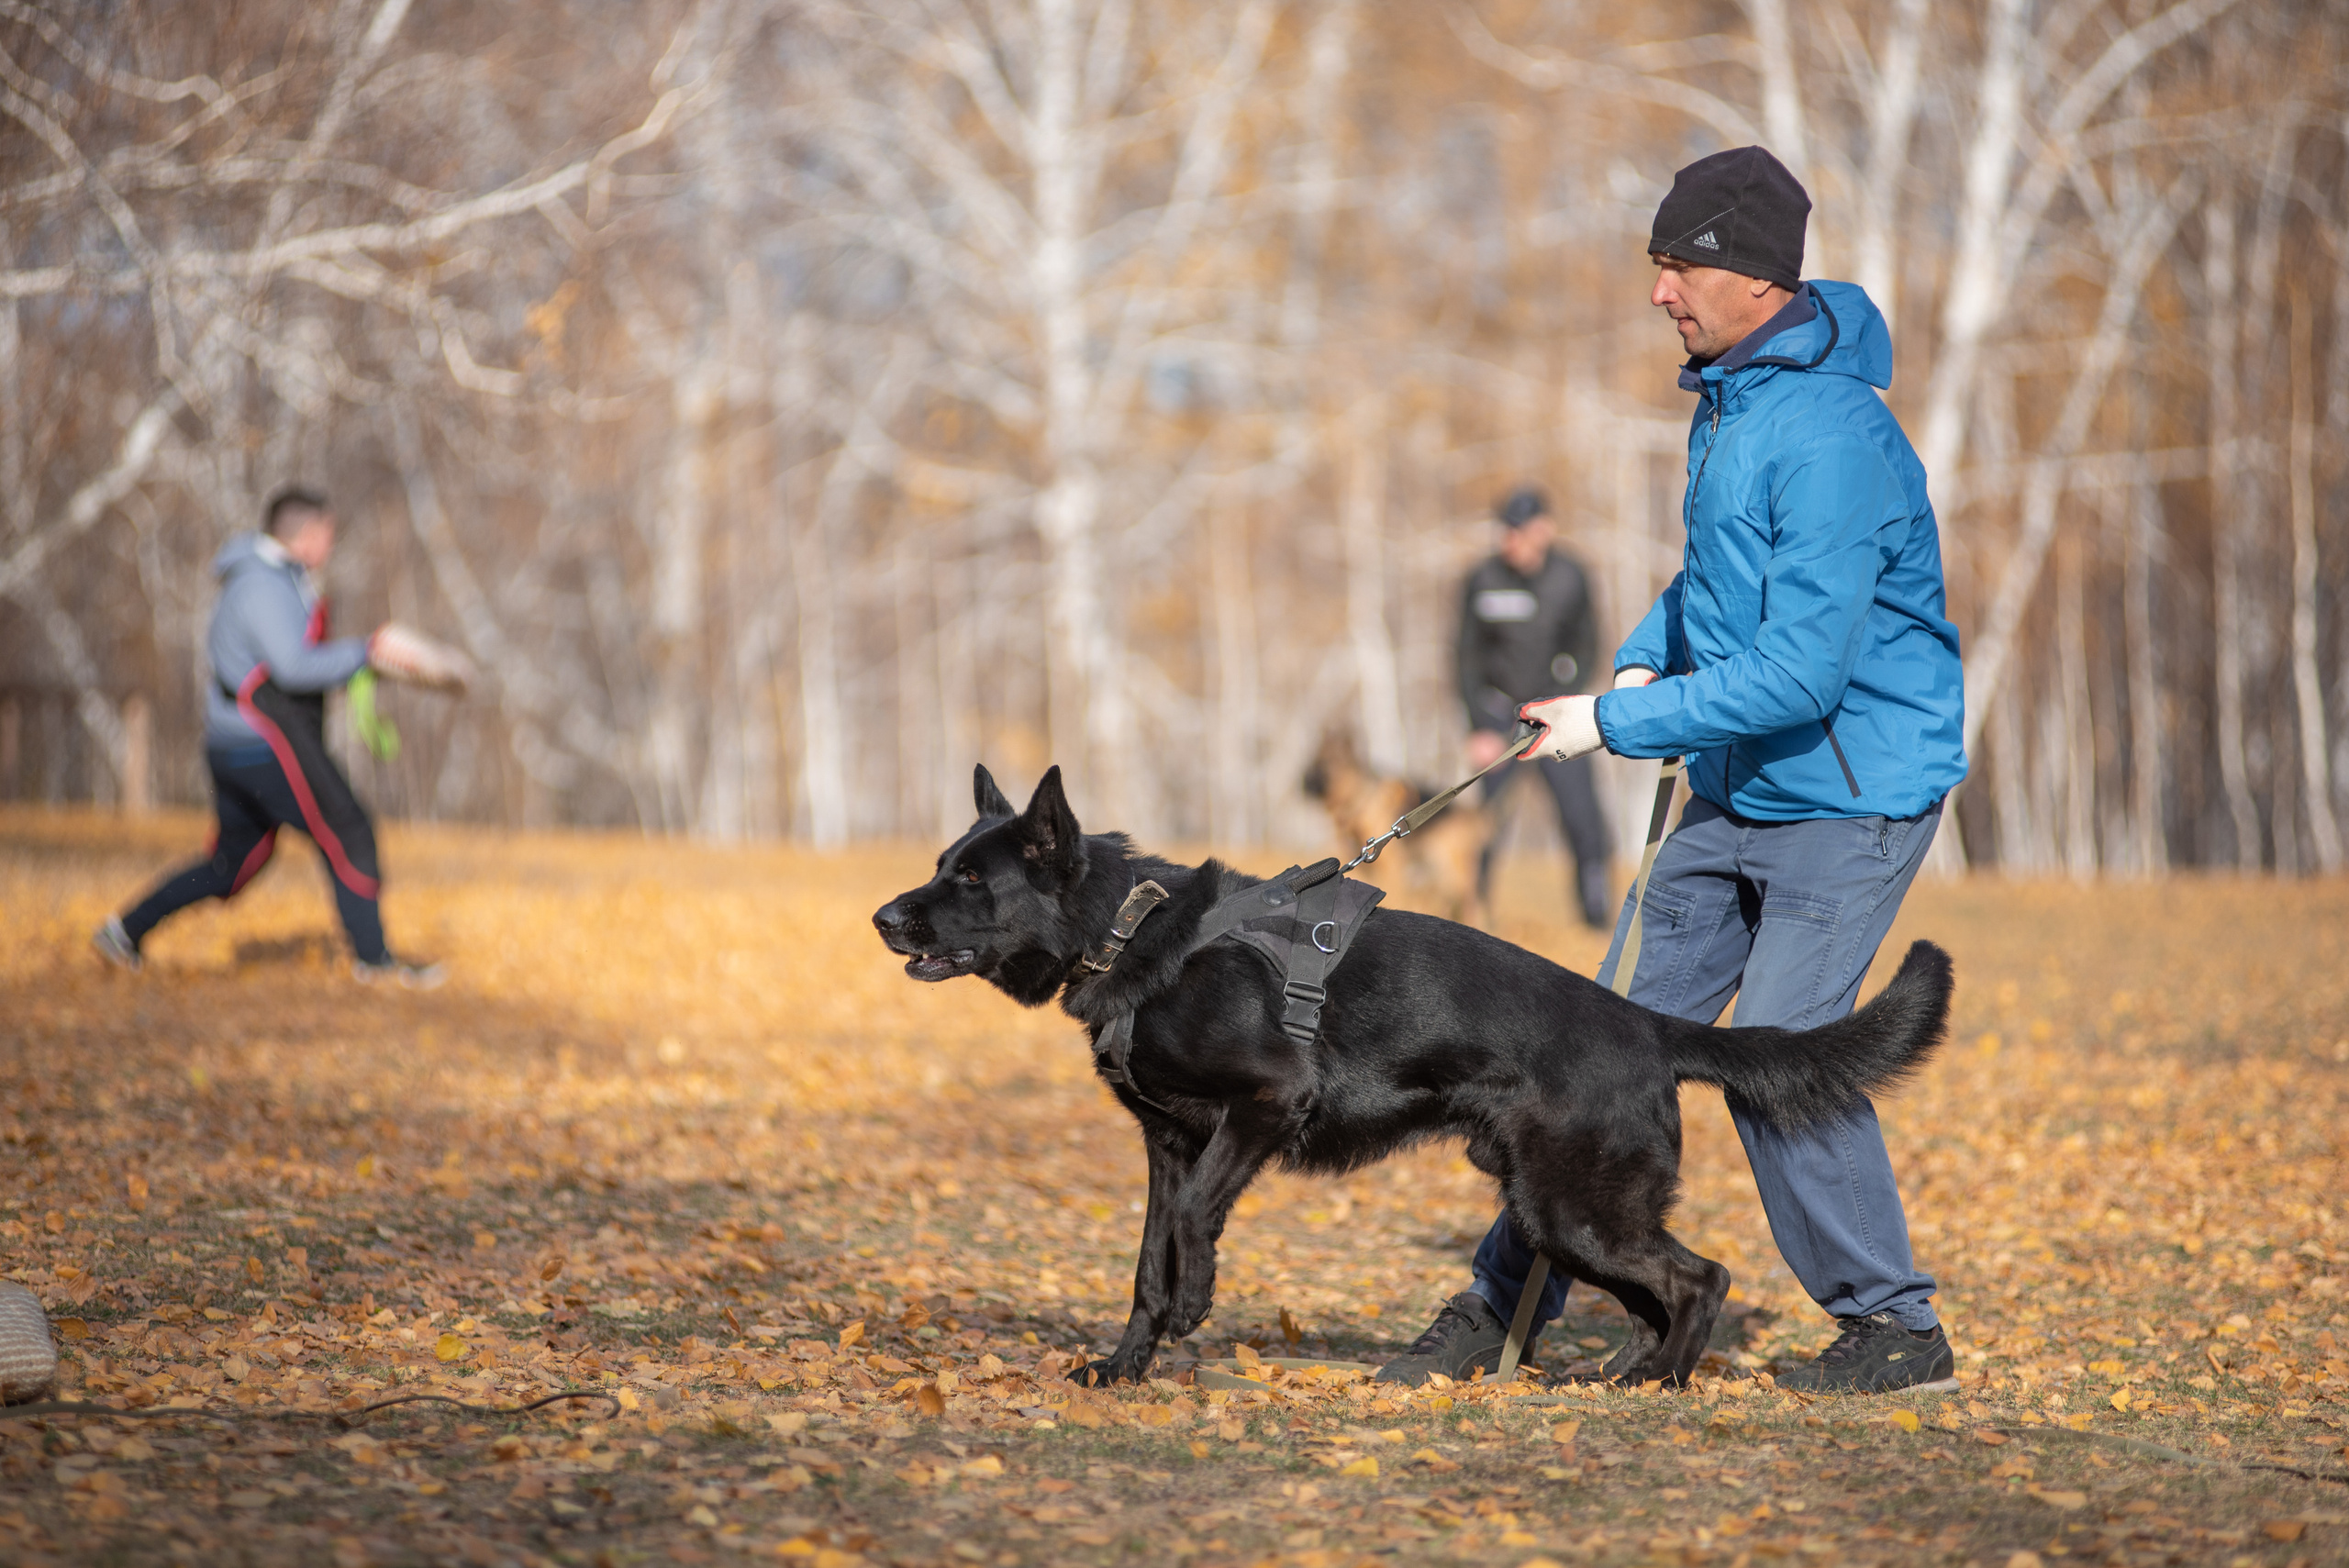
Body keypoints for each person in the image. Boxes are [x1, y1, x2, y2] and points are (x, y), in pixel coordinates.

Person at [1379, 146, 1966, 1395]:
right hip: (1740, 779)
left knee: (1782, 1056)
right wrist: (1643, 667)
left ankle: (1894, 1330)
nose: (1660, 290)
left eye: (1680, 264)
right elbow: (1711, 588)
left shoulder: (1831, 438)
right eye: (1658, 263)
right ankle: (1501, 1301)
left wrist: (1616, 724)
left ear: (1755, 276)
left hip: (1851, 794)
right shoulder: (1734, 401)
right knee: (1590, 1042)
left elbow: (1807, 671)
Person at [93, 488, 442, 987]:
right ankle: (376, 963)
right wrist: (367, 654)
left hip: (235, 744)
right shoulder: (263, 586)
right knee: (348, 831)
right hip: (262, 745)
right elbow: (294, 669)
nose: (331, 545)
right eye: (329, 534)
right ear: (307, 533)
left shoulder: (271, 579)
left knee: (231, 866)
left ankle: (123, 932)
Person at [1455, 486, 1613, 929]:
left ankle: (1594, 915)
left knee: (1583, 817)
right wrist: (1478, 725)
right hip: (1499, 718)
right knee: (1484, 828)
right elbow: (1466, 657)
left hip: (1555, 718)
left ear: (1544, 530)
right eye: (1506, 531)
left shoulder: (1571, 576)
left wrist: (1566, 699)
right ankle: (1474, 916)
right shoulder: (1482, 579)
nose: (1512, 541)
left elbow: (1587, 645)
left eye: (1521, 531)